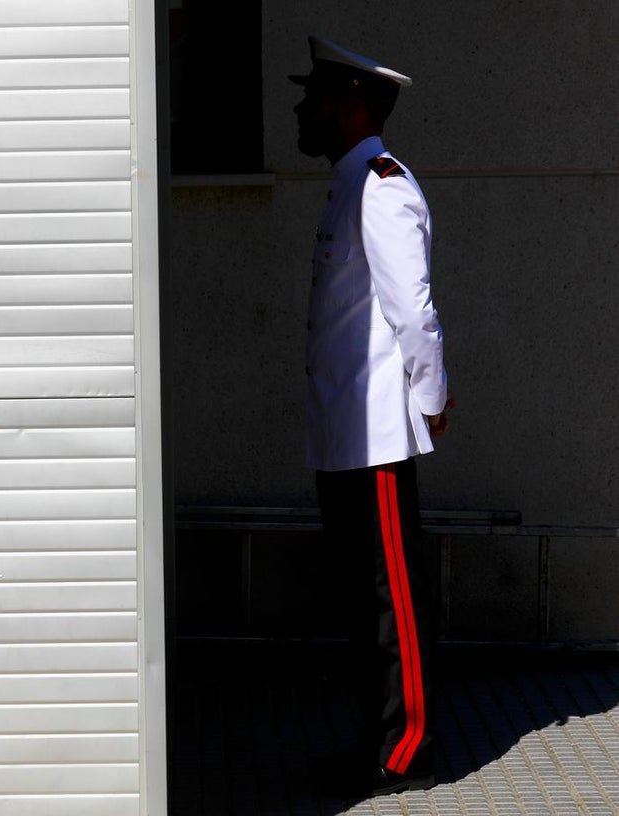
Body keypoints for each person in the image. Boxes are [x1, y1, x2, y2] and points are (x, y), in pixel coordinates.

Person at [290, 35, 454, 797]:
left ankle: (409, 747)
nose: (302, 107)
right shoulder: (350, 184)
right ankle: (378, 739)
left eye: (315, 96)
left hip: (380, 432)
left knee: (395, 600)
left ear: (350, 106)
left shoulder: (383, 187)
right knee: (363, 597)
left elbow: (411, 313)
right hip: (344, 432)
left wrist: (432, 398)